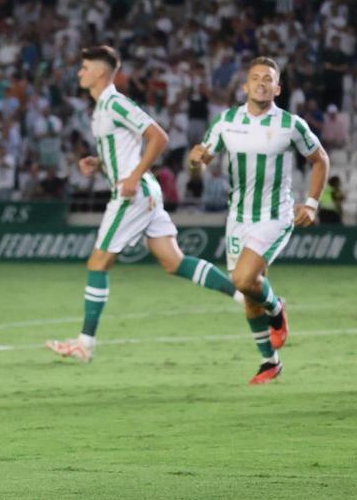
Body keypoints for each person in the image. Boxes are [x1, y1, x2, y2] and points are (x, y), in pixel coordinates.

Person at [47, 46, 239, 364]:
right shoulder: (101, 109)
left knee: (98, 263)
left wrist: (134, 175)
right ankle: (247, 297)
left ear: (100, 73)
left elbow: (159, 136)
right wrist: (100, 164)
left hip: (132, 195)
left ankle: (85, 344)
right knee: (174, 262)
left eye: (84, 67)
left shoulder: (115, 103)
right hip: (140, 191)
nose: (80, 72)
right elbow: (124, 152)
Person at [189, 57, 329, 385]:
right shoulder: (226, 122)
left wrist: (310, 204)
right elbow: (202, 156)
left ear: (278, 88)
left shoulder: (291, 125)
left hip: (275, 215)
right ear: (245, 86)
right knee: (250, 295)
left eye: (268, 79)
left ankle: (277, 309)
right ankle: (270, 363)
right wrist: (196, 160)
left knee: (243, 278)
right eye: (255, 78)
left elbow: (320, 159)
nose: (262, 83)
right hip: (238, 217)